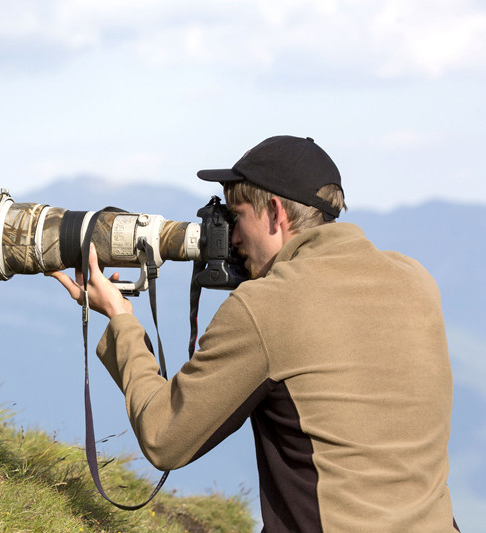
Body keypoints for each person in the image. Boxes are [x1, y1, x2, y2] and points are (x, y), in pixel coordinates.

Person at [49, 135, 458, 532]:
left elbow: (164, 436)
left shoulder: (268, 304)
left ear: (276, 213)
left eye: (237, 216)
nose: (233, 237)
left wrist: (120, 319)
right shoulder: (415, 279)